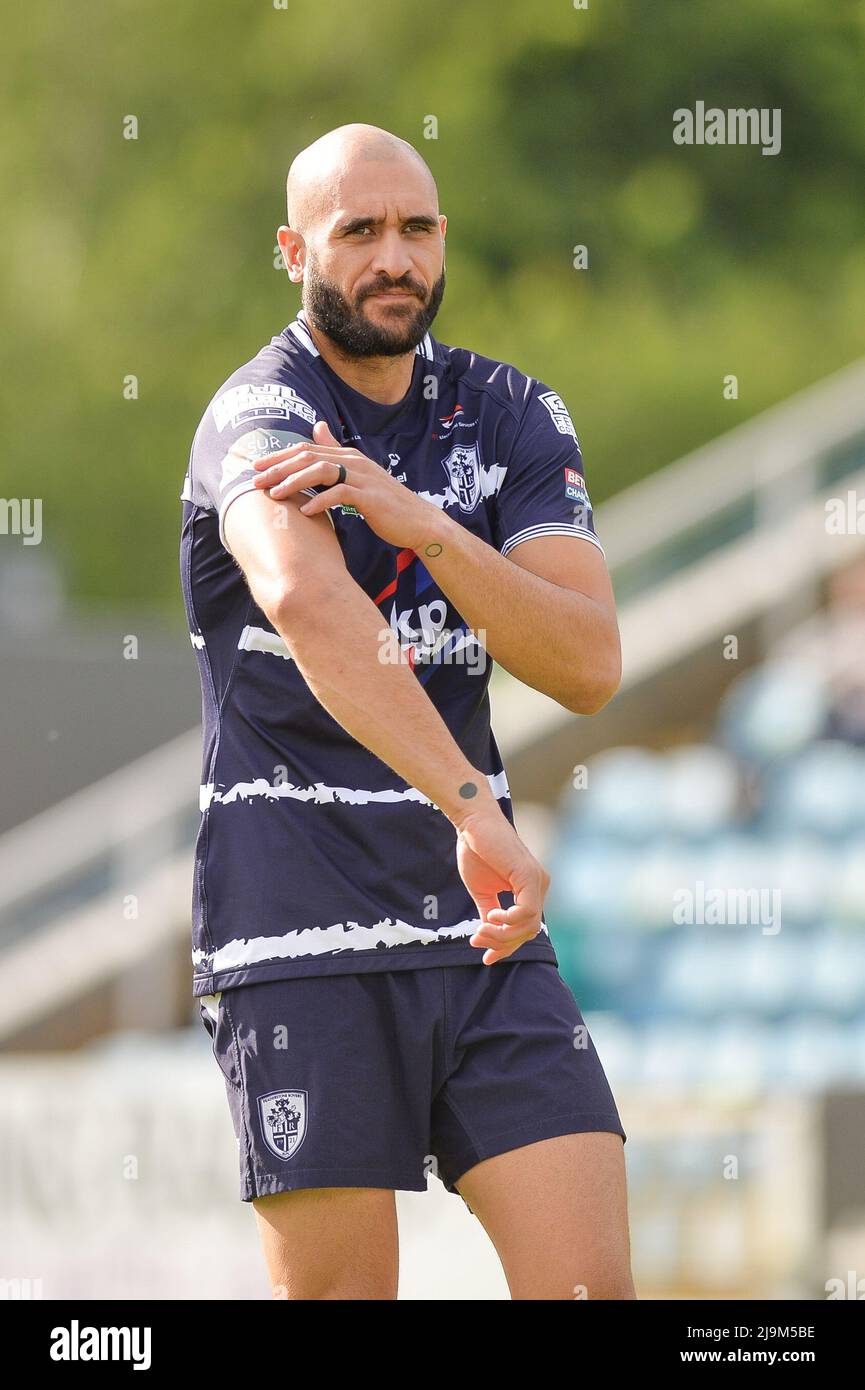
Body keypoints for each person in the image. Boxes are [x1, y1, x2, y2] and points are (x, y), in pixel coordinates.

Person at [179, 122, 634, 1300]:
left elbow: (586, 661)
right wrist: (474, 803)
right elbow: (312, 609)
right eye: (359, 231)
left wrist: (426, 526)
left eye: (417, 228)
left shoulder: (511, 412)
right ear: (295, 251)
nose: (394, 257)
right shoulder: (259, 414)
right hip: (298, 925)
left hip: (477, 930)